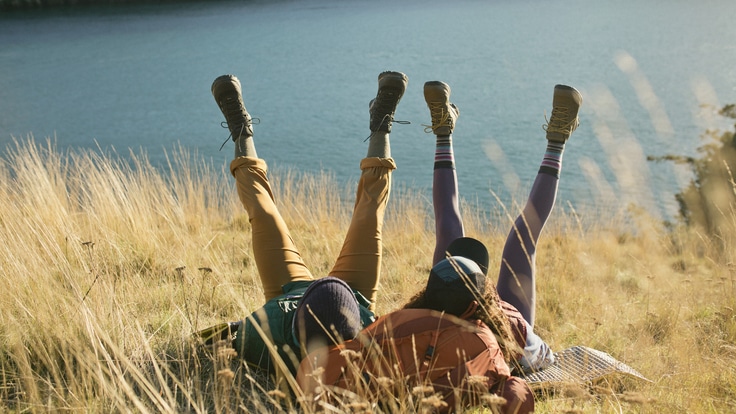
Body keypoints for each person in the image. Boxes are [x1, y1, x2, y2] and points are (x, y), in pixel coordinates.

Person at [297, 81, 582, 414]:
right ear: (484, 295)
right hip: (508, 336)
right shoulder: (498, 338)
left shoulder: (405, 320)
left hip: (456, 322)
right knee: (512, 239)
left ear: (428, 293)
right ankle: (550, 140)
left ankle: (461, 132)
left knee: (506, 234)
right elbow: (515, 389)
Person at [201, 71, 408, 375]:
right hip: (352, 296)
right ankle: (381, 125)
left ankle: (241, 132)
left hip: (290, 296)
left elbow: (219, 337)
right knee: (370, 214)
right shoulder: (373, 346)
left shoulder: (265, 334)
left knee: (263, 214)